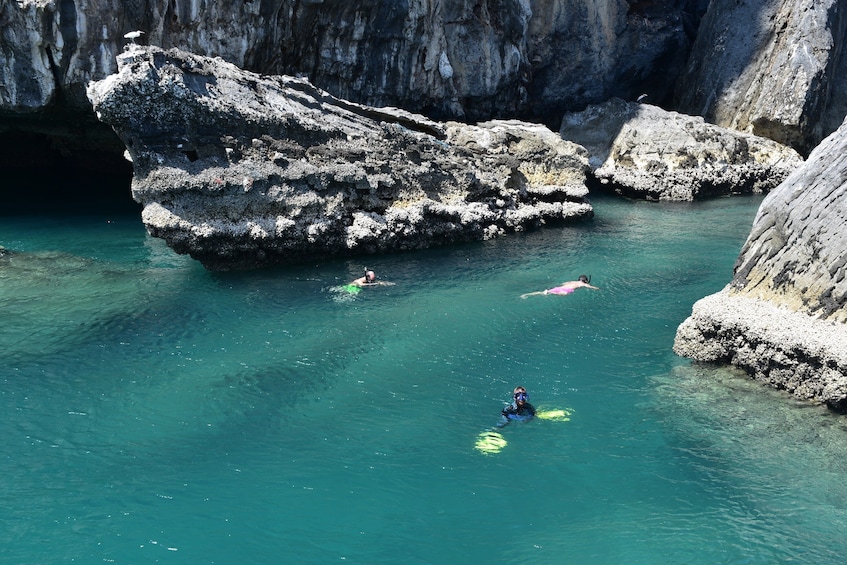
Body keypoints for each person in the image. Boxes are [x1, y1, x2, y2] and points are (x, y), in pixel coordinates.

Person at [520, 274, 599, 298]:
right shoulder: (583, 284)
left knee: (542, 292)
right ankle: (550, 292)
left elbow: (563, 283)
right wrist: (597, 288)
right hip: (567, 290)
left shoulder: (572, 281)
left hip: (560, 287)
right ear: (585, 280)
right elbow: (590, 287)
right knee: (564, 294)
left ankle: (525, 295)